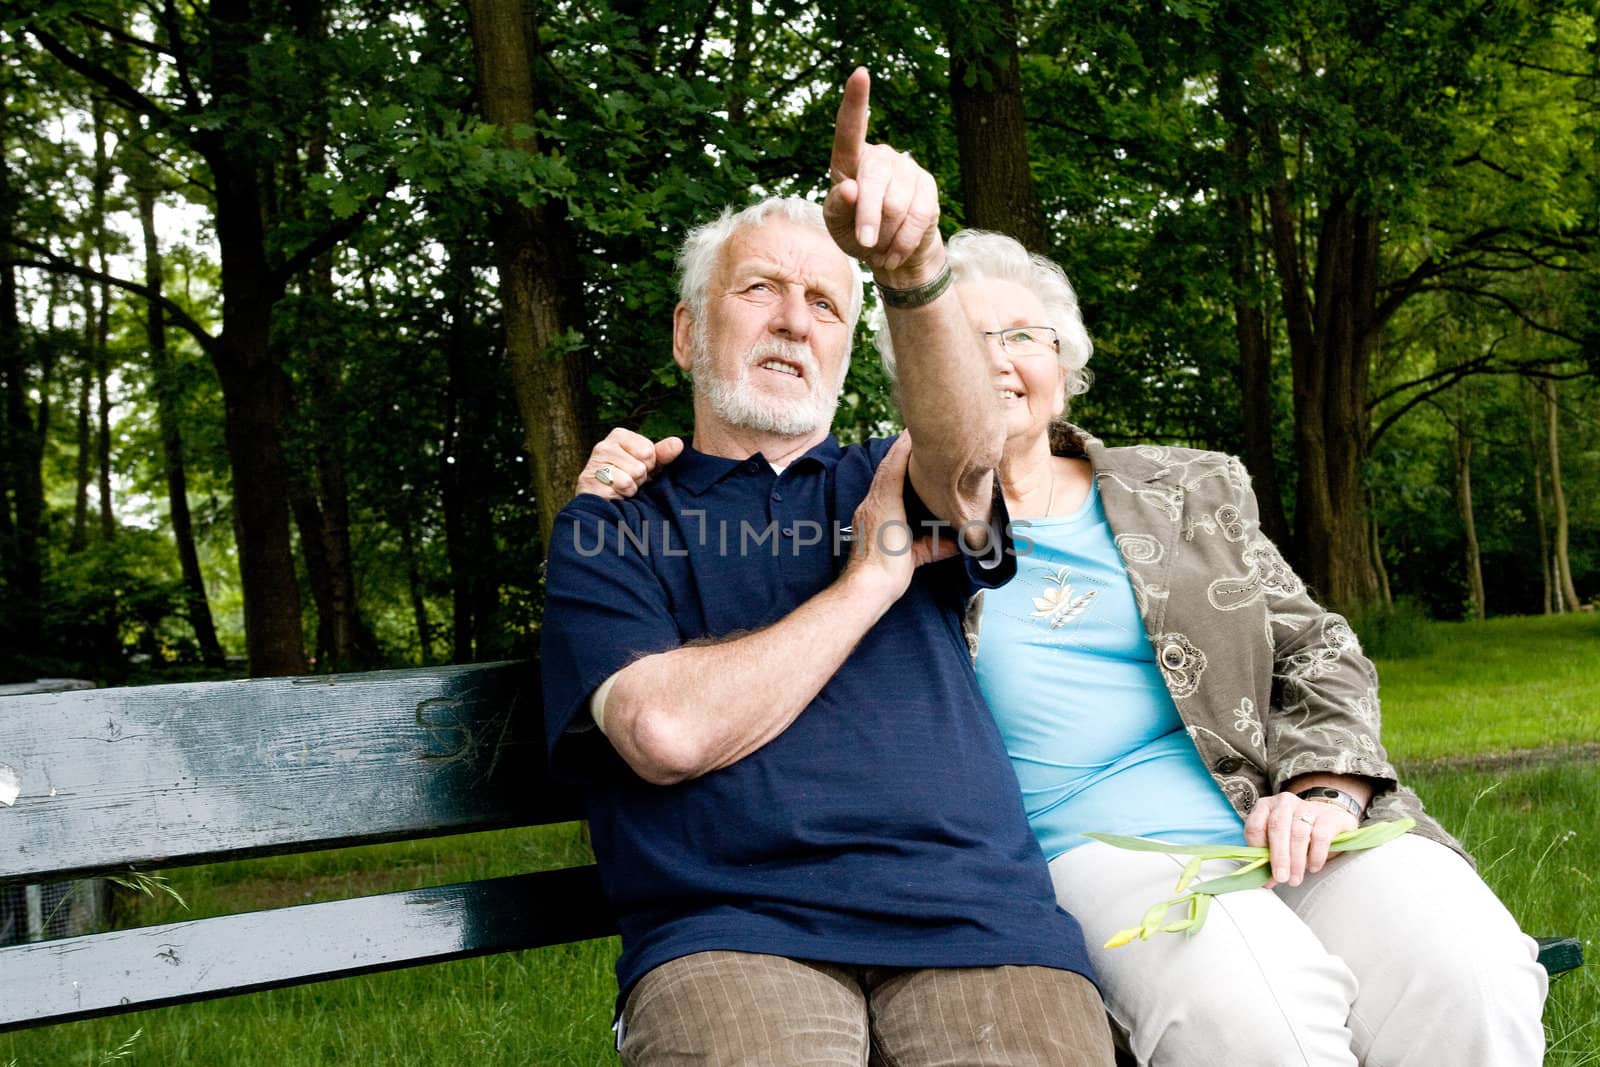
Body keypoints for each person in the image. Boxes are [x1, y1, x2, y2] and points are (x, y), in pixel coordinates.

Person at [583, 229, 1551, 1065]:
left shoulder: (1187, 488)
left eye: (1020, 336)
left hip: (1280, 814)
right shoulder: (894, 509)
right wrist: (646, 462)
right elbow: (754, 493)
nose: (995, 360)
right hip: (1093, 854)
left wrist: (1325, 784)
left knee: (1471, 972)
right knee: (1261, 1017)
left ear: (1066, 359)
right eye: (962, 341)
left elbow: (1318, 646)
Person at [540, 71, 1114, 1066]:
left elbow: (969, 455)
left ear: (851, 346)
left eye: (824, 303)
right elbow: (663, 728)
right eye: (758, 288)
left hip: (977, 923)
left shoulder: (891, 472)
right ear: (687, 332)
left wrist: (911, 267)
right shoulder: (617, 521)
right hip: (731, 931)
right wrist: (866, 586)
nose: (793, 320)